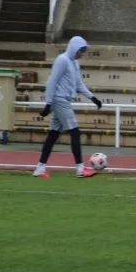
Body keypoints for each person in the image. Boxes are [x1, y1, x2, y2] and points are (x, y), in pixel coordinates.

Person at [33, 36, 102, 178]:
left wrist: (92, 97)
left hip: (64, 100)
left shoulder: (74, 63)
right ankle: (80, 169)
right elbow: (52, 82)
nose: (81, 54)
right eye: (80, 51)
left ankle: (40, 168)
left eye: (83, 52)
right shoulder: (62, 60)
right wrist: (48, 102)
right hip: (59, 100)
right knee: (75, 132)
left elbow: (78, 83)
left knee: (53, 135)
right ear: (74, 48)